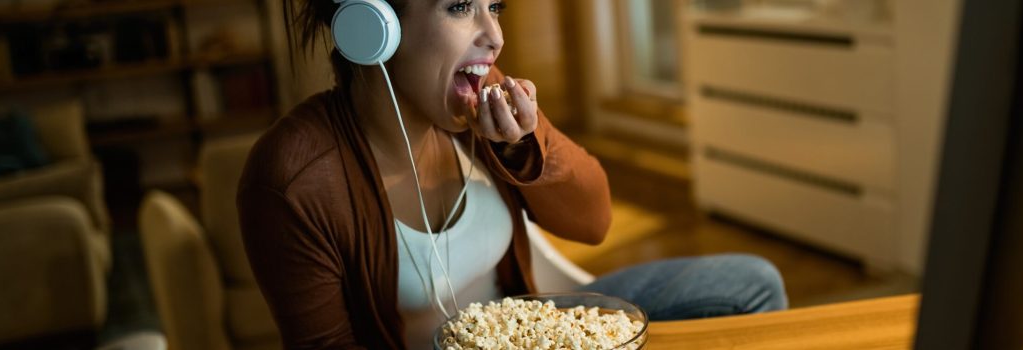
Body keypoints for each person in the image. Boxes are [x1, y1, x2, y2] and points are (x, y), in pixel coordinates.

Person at [237, 0, 790, 348]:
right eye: (458, 7)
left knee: (751, 284)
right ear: (372, 25)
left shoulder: (482, 94)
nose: (494, 35)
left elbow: (594, 222)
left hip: (533, 326)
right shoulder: (291, 179)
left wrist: (526, 147)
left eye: (493, 5)